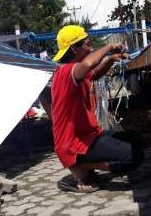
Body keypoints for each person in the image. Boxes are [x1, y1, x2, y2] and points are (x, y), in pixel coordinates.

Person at [51, 25, 144, 193]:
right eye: (87, 44)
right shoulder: (65, 72)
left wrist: (110, 59)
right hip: (72, 143)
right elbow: (89, 63)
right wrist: (109, 47)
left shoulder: (76, 71)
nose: (91, 48)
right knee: (134, 156)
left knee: (135, 140)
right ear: (74, 48)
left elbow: (94, 74)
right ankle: (81, 166)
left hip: (87, 136)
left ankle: (86, 165)